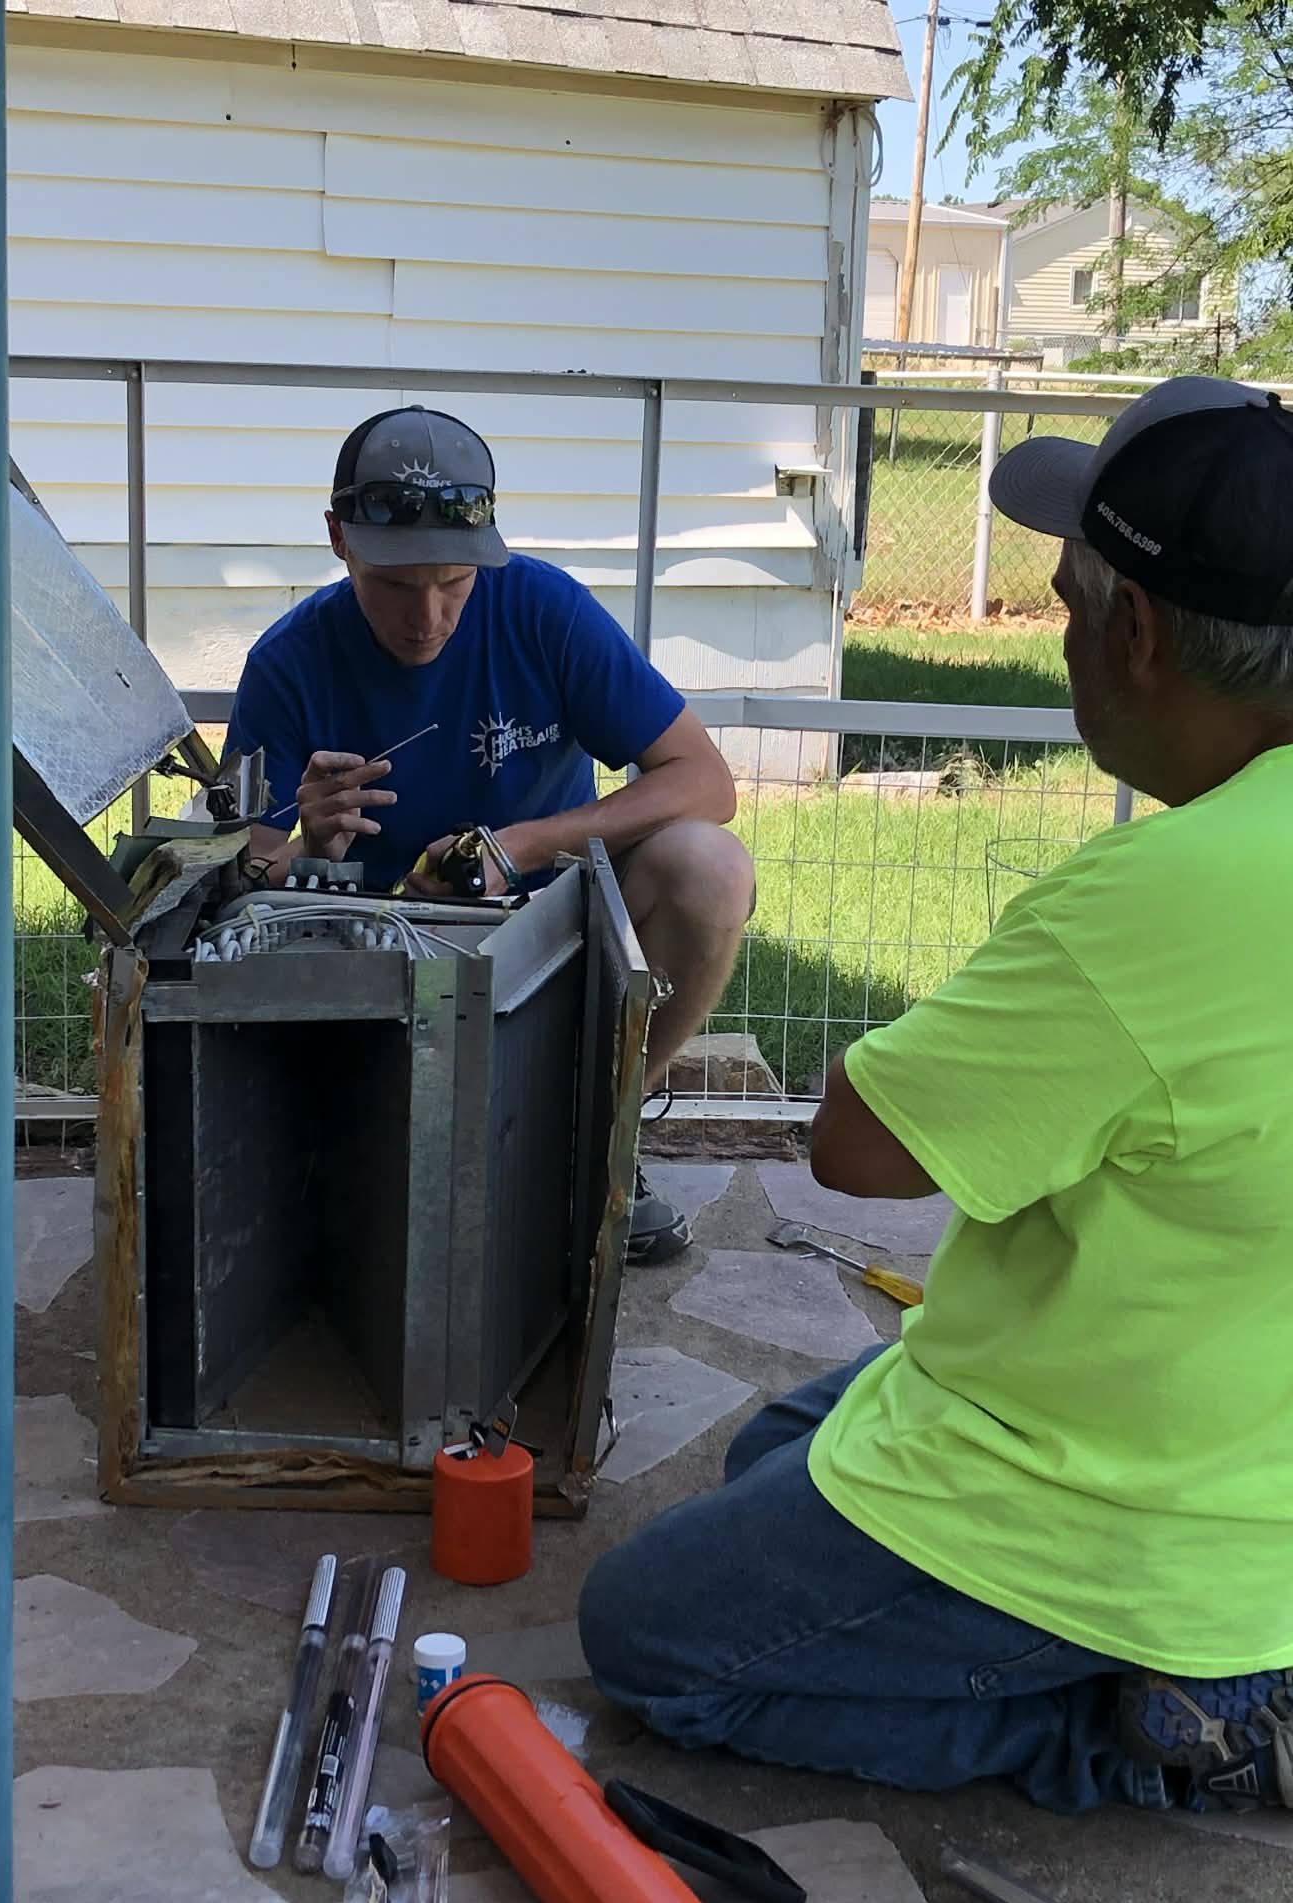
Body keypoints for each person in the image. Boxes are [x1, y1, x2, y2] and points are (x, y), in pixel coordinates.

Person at [579, 376, 1293, 1814]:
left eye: (1069, 603)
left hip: (1141, 1513)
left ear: (1139, 632)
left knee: (652, 1637)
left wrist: (1003, 1008)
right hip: (1229, 1439)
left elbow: (856, 1144)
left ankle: (1152, 1734)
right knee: (784, 1443)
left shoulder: (1161, 903)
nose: (1068, 639)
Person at [226, 405, 755, 1264]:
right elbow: (245, 872)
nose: (428, 616)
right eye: (396, 586)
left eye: (455, 583)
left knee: (712, 868)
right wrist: (310, 850)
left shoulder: (544, 611)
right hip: (381, 965)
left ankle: (602, 1132)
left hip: (551, 941)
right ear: (339, 540)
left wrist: (521, 846)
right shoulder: (287, 664)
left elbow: (706, 780)